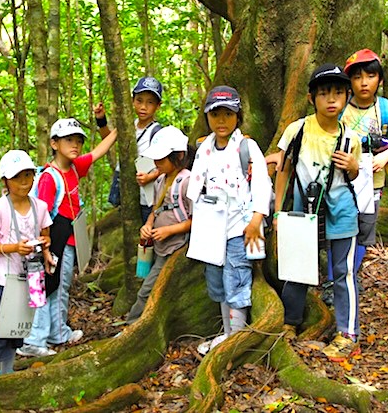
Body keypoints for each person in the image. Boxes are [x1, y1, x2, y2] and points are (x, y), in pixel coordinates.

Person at [274, 64, 362, 361]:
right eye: (324, 93)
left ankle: (347, 333)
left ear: (347, 96)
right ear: (312, 98)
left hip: (342, 214)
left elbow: (353, 176)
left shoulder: (351, 137)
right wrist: (277, 213)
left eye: (338, 92)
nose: (332, 99)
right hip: (304, 214)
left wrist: (352, 167)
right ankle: (290, 323)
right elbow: (282, 172)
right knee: (296, 271)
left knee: (343, 272)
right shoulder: (296, 130)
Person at [17, 118, 118, 357]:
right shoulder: (49, 177)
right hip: (51, 241)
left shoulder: (75, 168)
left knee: (60, 287)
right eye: (68, 140)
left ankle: (58, 332)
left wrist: (117, 127)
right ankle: (33, 339)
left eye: (78, 141)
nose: (75, 145)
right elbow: (42, 215)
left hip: (68, 239)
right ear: (54, 143)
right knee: (44, 287)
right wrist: (45, 251)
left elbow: (99, 151)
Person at [186, 86, 272, 354]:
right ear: (207, 117)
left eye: (227, 114)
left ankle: (236, 337)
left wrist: (257, 219)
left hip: (239, 226)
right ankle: (227, 333)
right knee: (216, 280)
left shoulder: (246, 147)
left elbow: (261, 183)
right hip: (211, 229)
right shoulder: (204, 149)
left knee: (236, 278)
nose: (221, 121)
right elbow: (196, 187)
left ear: (238, 116)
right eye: (215, 115)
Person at [0, 150, 54, 377]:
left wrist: (45, 249)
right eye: (17, 177)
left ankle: (8, 374)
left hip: (30, 278)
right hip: (5, 279)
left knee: (17, 331)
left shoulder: (39, 206)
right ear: (6, 181)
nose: (24, 182)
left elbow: (46, 235)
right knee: (1, 331)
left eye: (28, 175)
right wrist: (14, 248)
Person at [340, 49, 388, 273]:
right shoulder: (341, 108)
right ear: (349, 81)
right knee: (340, 228)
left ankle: (352, 274)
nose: (364, 83)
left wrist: (385, 156)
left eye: (370, 76)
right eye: (357, 77)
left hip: (373, 182)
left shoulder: (385, 108)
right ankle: (335, 279)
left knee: (365, 229)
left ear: (380, 80)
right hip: (341, 182)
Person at [125, 126, 193, 324]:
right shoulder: (160, 181)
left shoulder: (187, 182)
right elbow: (155, 210)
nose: (156, 164)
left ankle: (132, 324)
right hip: (160, 247)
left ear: (178, 156)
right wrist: (147, 226)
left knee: (148, 291)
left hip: (176, 247)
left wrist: (169, 230)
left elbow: (197, 220)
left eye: (161, 160)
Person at [95, 76, 164, 223]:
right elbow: (108, 140)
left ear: (158, 105)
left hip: (145, 195)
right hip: (125, 187)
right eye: (139, 101)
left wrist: (150, 177)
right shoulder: (128, 125)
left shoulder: (157, 132)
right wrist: (101, 120)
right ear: (132, 101)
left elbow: (167, 165)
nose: (143, 107)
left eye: (150, 102)